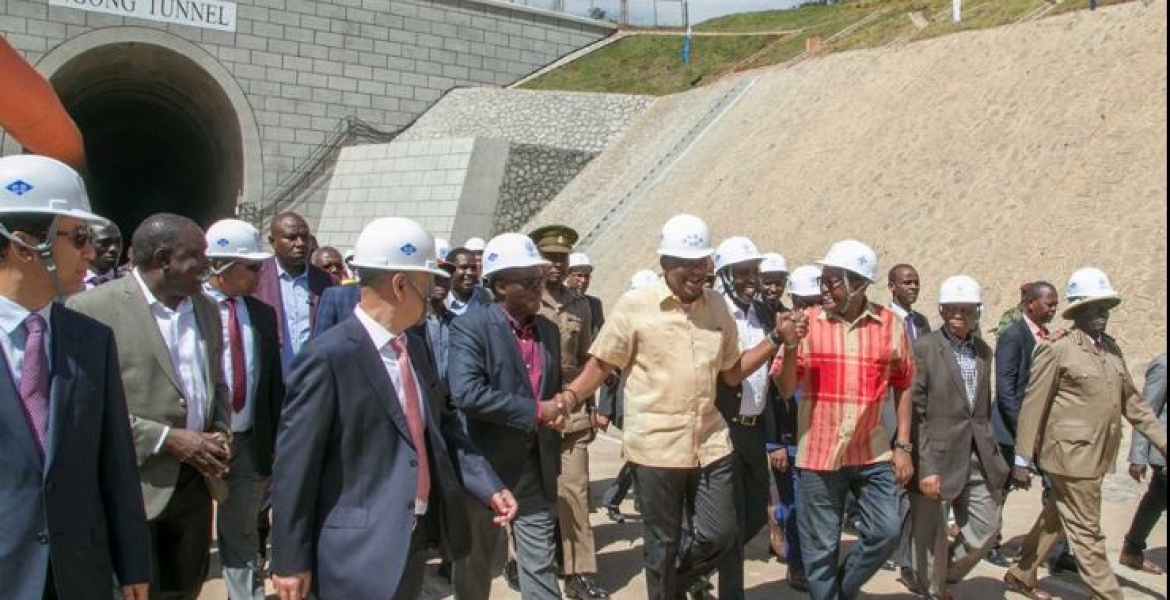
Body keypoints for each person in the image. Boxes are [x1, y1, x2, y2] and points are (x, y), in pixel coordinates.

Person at [270, 218, 517, 600]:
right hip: (353, 555)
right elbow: (295, 465)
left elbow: (442, 426)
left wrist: (488, 484)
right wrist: (289, 559)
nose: (436, 292)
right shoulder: (328, 357)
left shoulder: (414, 348)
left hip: (410, 540)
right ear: (402, 284)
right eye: (429, 282)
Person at [559, 214, 788, 600]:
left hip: (710, 442)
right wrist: (567, 400)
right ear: (665, 264)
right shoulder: (635, 306)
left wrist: (774, 340)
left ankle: (678, 583)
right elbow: (602, 363)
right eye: (688, 264)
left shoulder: (716, 307)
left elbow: (732, 372)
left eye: (703, 263)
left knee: (722, 531)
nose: (698, 272)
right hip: (655, 446)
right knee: (662, 542)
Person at [0, 154, 151, 600]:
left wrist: (133, 564)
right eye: (78, 237)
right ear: (26, 243)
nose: (91, 251)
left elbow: (116, 463)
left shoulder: (92, 341)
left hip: (77, 577)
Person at [69, 212, 232, 600]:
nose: (207, 267)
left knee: (183, 589)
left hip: (195, 485)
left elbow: (217, 385)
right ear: (163, 259)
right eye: (197, 256)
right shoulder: (91, 309)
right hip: (133, 488)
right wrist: (165, 438)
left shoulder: (206, 309)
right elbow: (87, 409)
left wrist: (220, 432)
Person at [1005, 268, 1167, 600]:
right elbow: (1033, 406)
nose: (1103, 314)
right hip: (1068, 455)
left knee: (1059, 516)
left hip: (1098, 454)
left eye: (1106, 307)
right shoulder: (1057, 348)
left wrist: (1163, 443)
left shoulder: (1111, 349)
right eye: (1095, 308)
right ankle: (1107, 594)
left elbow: (1134, 404)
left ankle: (1022, 571)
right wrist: (1022, 458)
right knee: (1088, 530)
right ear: (1077, 311)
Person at [771, 239, 916, 600]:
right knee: (820, 550)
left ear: (859, 285)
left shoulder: (890, 325)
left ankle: (839, 591)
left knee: (886, 531)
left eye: (833, 281)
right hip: (818, 456)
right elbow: (786, 389)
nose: (824, 288)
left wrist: (903, 445)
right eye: (824, 279)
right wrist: (790, 346)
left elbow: (905, 383)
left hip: (872, 451)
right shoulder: (808, 325)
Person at [448, 233, 567, 600]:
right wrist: (535, 411)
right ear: (500, 285)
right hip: (485, 471)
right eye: (530, 282)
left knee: (541, 565)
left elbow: (550, 388)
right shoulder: (470, 327)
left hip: (536, 467)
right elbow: (466, 393)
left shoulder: (547, 329)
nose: (539, 289)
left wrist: (558, 407)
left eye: (541, 280)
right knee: (476, 567)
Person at [907, 276, 1009, 600]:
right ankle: (932, 589)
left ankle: (944, 572)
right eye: (952, 309)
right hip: (935, 453)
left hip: (977, 451)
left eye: (966, 310)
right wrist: (926, 465)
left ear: (976, 312)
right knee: (930, 532)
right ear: (941, 309)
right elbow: (917, 410)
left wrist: (993, 451)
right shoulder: (924, 347)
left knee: (987, 528)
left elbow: (982, 406)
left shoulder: (984, 351)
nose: (959, 315)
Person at [203, 219, 285, 600]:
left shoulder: (262, 315)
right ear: (220, 265)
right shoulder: (188, 309)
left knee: (242, 532)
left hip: (249, 442)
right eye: (252, 267)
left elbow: (270, 385)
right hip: (196, 444)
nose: (260, 274)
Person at [529, 225, 610, 600]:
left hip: (572, 411)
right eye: (549, 258)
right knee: (531, 492)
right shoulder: (524, 298)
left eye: (562, 259)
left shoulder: (580, 305)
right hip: (531, 412)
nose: (556, 266)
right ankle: (523, 562)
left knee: (575, 492)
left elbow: (587, 361)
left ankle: (579, 572)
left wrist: (587, 407)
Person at [711, 236, 777, 600]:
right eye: (743, 272)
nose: (753, 278)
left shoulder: (765, 312)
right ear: (724, 276)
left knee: (753, 517)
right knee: (731, 522)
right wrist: (775, 340)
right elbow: (732, 374)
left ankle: (690, 569)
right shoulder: (716, 315)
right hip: (725, 428)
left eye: (755, 271)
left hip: (755, 430)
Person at [986, 281, 1060, 567]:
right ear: (1030, 303)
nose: (1054, 308)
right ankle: (989, 544)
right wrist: (1024, 430)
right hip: (1011, 428)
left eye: (1055, 303)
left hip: (1040, 427)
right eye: (1049, 303)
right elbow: (1006, 388)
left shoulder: (1046, 336)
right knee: (1000, 489)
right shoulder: (1013, 335)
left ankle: (1051, 549)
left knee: (1054, 488)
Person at [596, 269, 659, 524]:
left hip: (655, 402)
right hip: (631, 403)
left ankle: (617, 499)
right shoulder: (621, 325)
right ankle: (633, 502)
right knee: (642, 455)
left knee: (645, 455)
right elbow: (607, 371)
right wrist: (604, 410)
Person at [254, 211, 334, 373]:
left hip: (313, 381)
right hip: (270, 380)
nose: (300, 243)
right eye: (291, 238)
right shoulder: (256, 279)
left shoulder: (327, 282)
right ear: (272, 241)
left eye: (305, 237)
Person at [1120, 353, 1166, 574]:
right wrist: (1138, 455)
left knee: (1156, 500)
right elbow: (1145, 411)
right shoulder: (1164, 365)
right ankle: (1132, 549)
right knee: (1157, 500)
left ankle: (1132, 547)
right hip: (1164, 450)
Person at [445, 246, 492, 316]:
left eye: (473, 268)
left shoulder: (486, 298)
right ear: (449, 270)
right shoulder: (440, 300)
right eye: (464, 267)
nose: (470, 272)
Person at [85, 221, 123, 288]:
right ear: (87, 244)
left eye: (117, 242)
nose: (113, 249)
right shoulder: (68, 282)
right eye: (105, 242)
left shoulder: (130, 283)